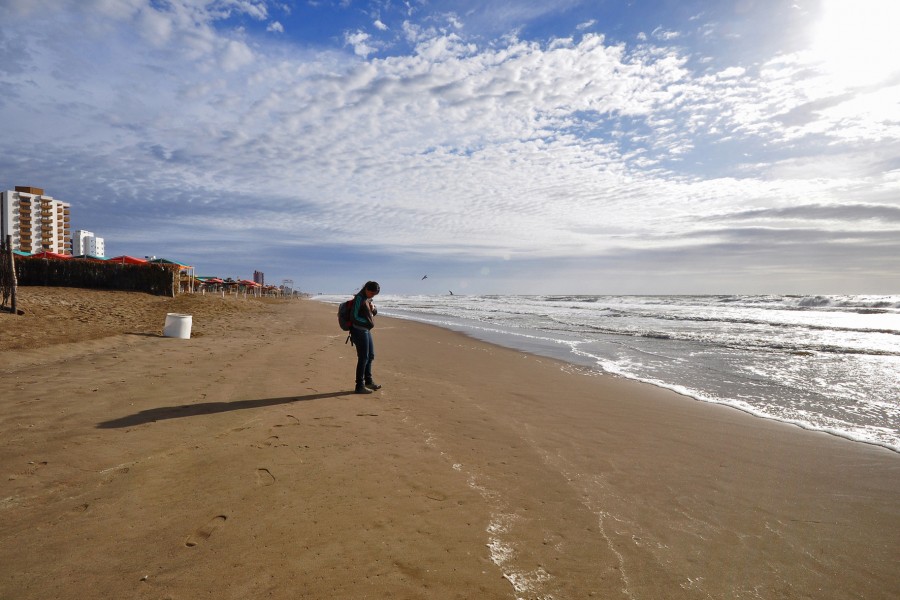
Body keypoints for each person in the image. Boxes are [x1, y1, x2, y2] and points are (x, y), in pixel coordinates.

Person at [349, 281, 381, 394]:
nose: (373, 295)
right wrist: (367, 323)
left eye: (375, 294)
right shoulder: (359, 298)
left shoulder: (367, 299)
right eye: (372, 293)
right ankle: (359, 386)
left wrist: (374, 309)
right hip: (358, 331)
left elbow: (372, 313)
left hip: (366, 330)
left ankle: (368, 381)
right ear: (366, 289)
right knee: (363, 357)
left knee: (370, 356)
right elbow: (354, 317)